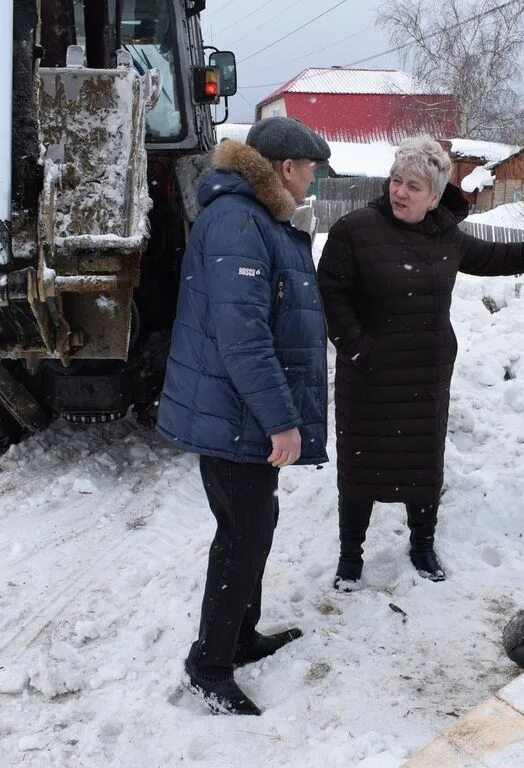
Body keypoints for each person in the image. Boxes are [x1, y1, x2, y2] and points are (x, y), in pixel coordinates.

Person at [317, 136, 524, 589]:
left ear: (436, 197)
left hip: (426, 373)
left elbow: (496, 257)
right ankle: (350, 556)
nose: (400, 192)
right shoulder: (355, 229)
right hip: (369, 375)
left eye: (414, 186)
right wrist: (358, 347)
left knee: (423, 466)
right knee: (361, 467)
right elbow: (331, 292)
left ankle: (422, 545)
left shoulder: (446, 236)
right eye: (397, 181)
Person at [157, 116, 331, 716]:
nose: (313, 180)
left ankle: (239, 636)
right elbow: (243, 337)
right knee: (241, 535)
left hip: (242, 413)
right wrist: (283, 421)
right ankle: (209, 663)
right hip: (237, 416)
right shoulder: (238, 221)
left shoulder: (253, 217)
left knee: (256, 523)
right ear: (285, 169)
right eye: (310, 169)